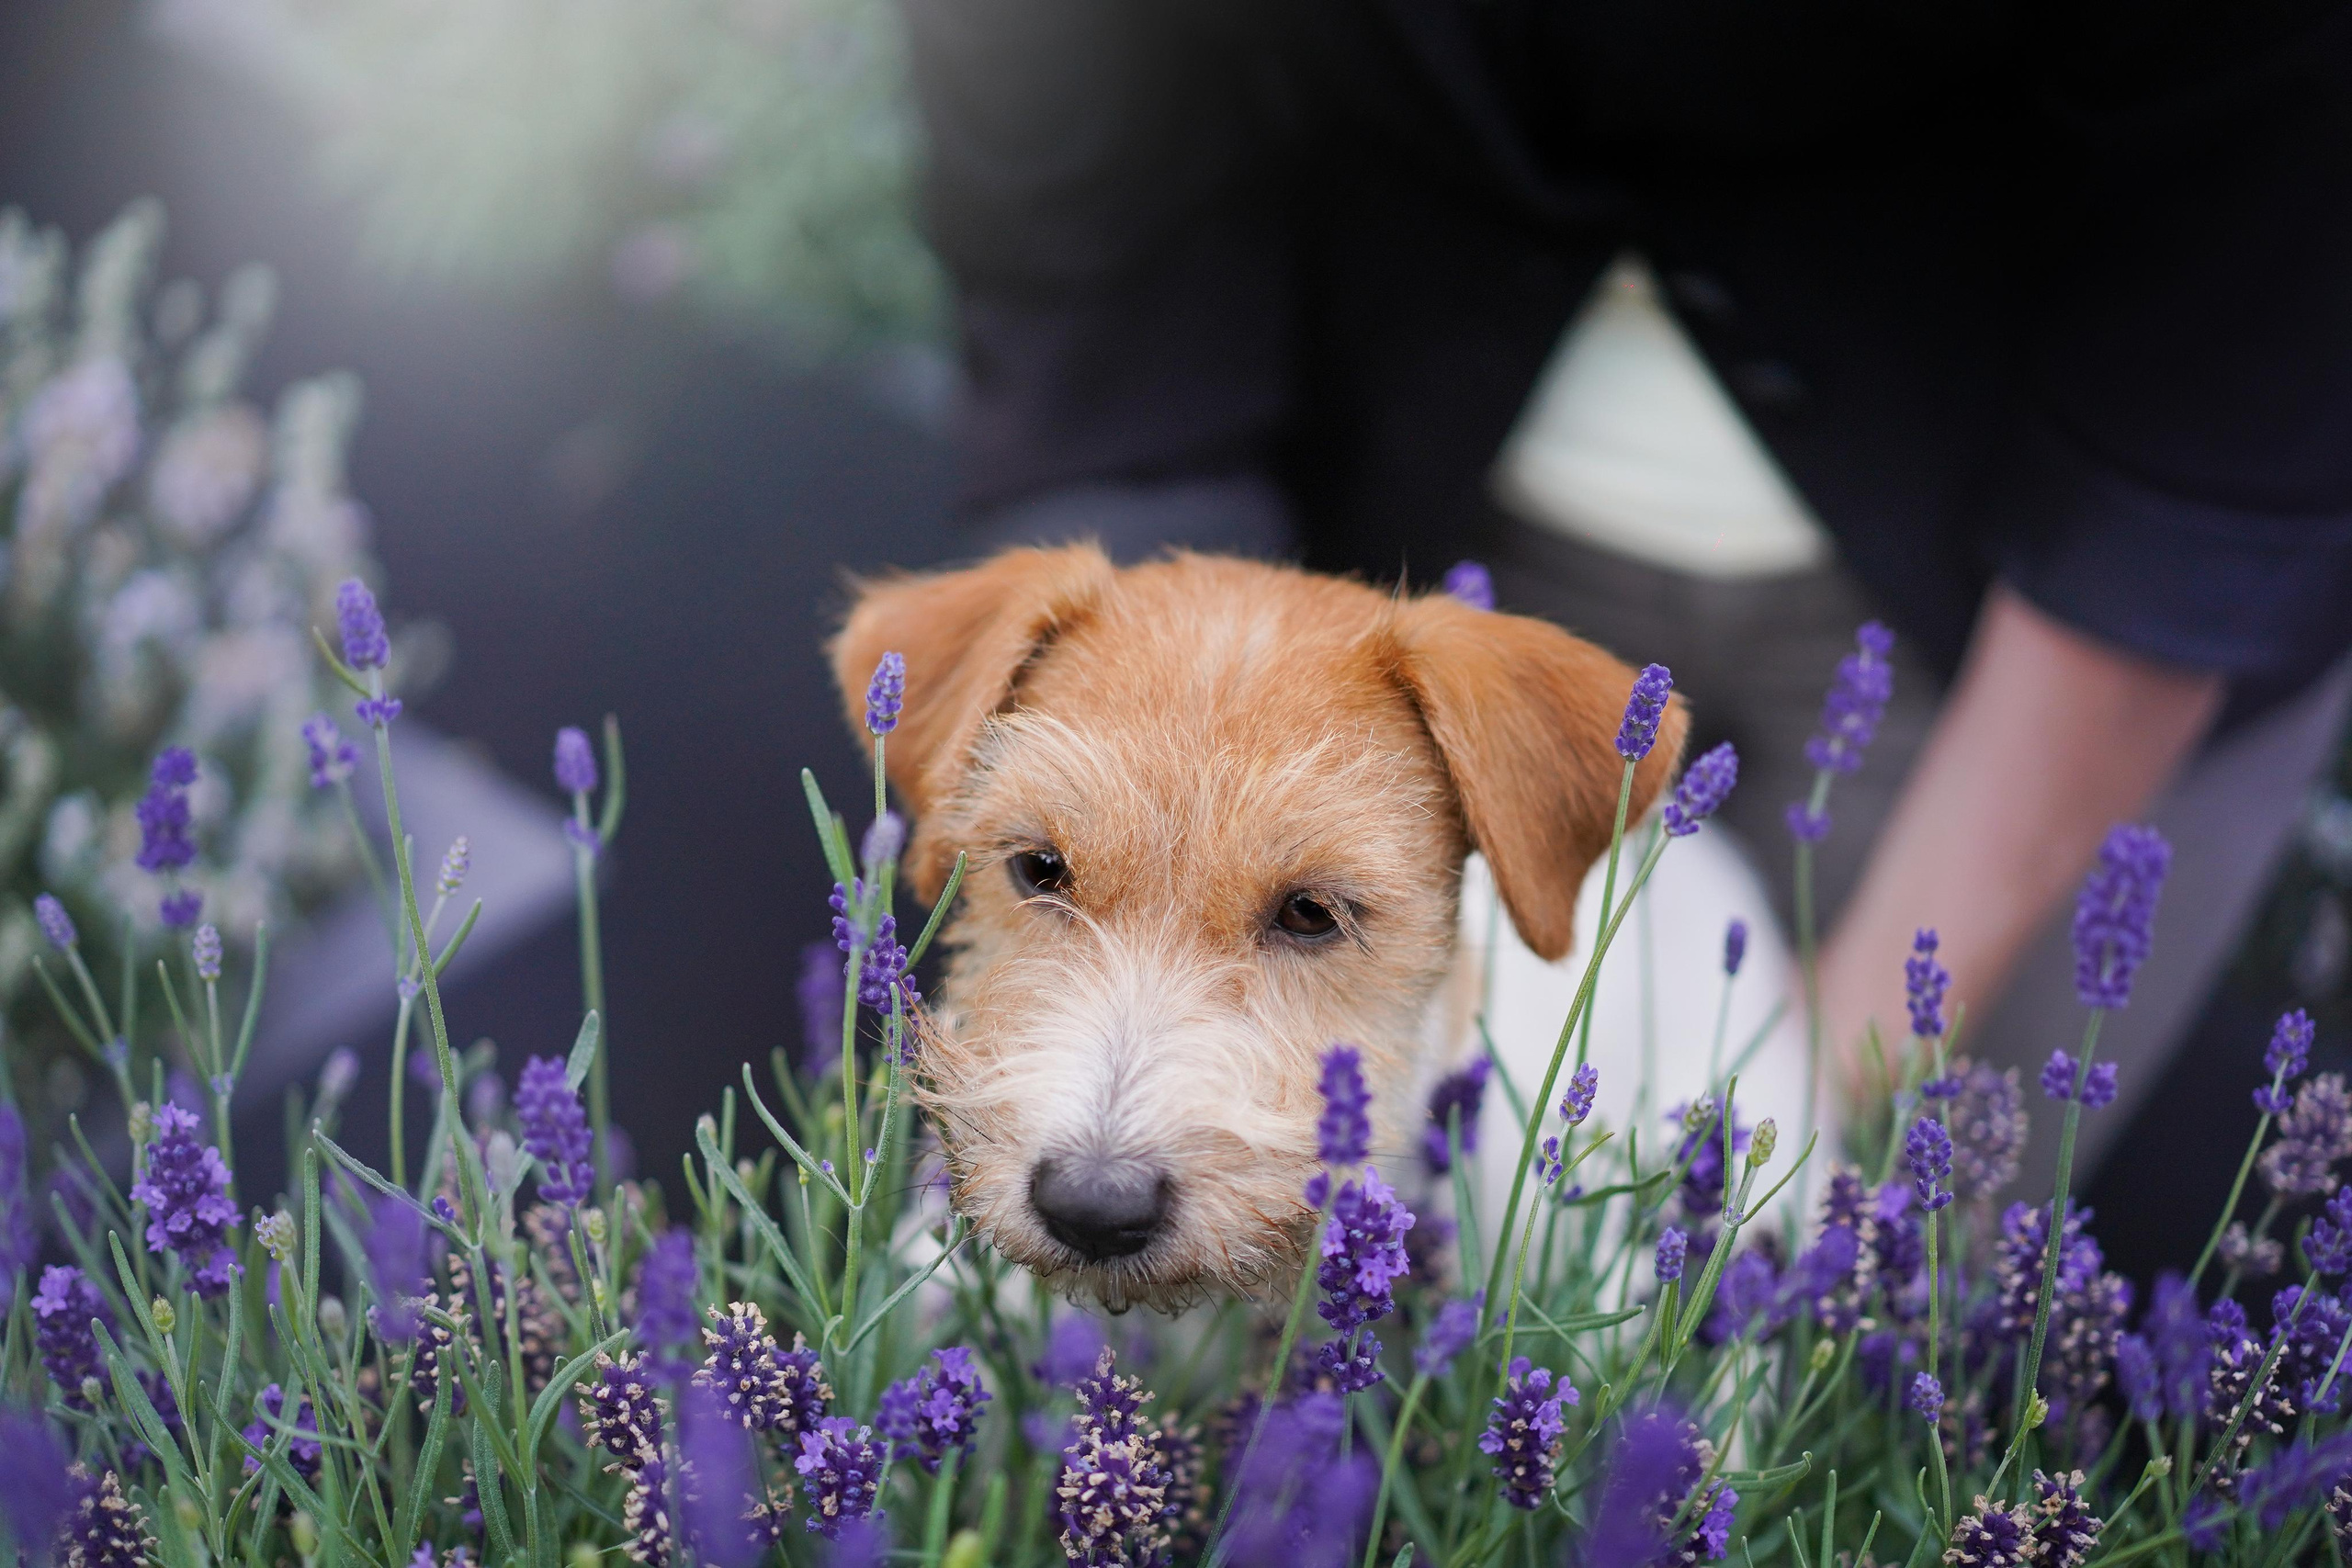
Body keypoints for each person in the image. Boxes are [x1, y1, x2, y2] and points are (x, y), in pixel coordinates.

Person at [899, 0, 2352, 1190]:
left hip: (2029, 589)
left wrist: (1799, 1139)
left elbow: (2251, 266)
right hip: (1394, 476)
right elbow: (1073, 146)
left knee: (1859, 1309)